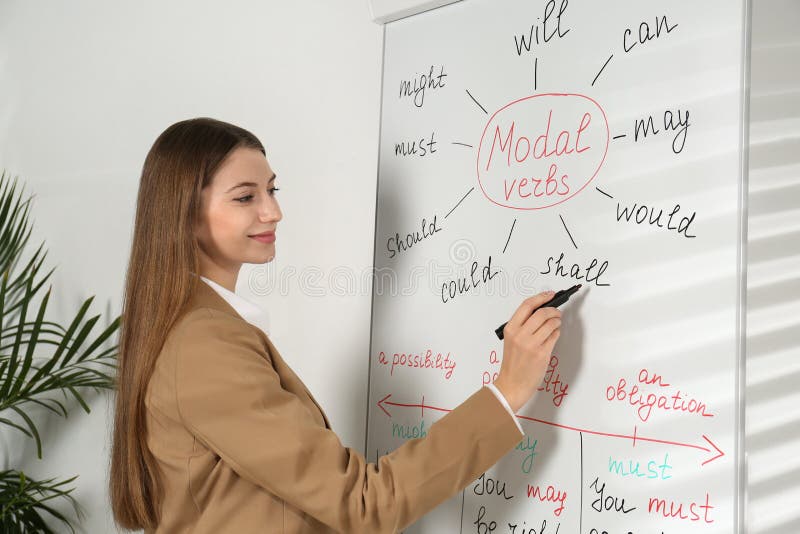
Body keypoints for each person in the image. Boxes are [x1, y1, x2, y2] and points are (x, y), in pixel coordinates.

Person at [109, 117, 563, 533]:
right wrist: (509, 391)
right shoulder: (204, 344)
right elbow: (365, 504)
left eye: (272, 190)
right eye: (246, 197)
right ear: (183, 213)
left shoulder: (196, 326)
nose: (272, 212)